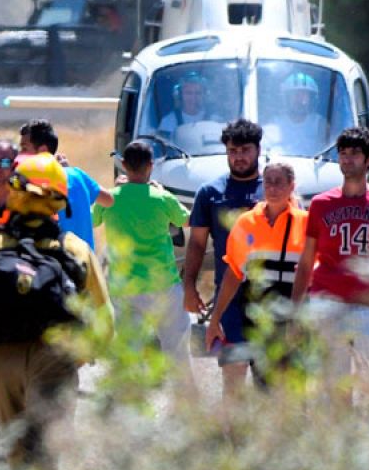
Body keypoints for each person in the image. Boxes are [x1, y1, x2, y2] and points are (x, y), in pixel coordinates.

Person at [0, 153, 112, 467]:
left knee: (16, 449)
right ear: (59, 199)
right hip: (55, 358)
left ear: (14, 191)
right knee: (48, 452)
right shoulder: (75, 249)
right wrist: (79, 356)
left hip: (2, 361)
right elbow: (104, 319)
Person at [290, 126, 369, 391]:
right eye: (343, 153)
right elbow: (306, 261)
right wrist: (295, 312)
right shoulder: (321, 204)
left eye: (354, 153)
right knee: (333, 384)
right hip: (327, 300)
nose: (347, 159)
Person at [205, 161, 307, 397]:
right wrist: (215, 318)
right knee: (265, 389)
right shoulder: (246, 222)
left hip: (294, 316)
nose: (272, 188)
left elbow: (315, 273)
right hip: (258, 317)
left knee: (295, 392)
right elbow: (234, 274)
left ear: (291, 186)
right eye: (268, 182)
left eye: (279, 182)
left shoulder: (305, 222)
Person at [92, 140, 191, 377]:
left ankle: (128, 398)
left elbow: (93, 220)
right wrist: (162, 191)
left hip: (124, 287)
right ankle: (186, 397)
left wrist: (116, 189)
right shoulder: (161, 198)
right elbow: (187, 220)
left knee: (129, 354)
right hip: (163, 284)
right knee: (177, 351)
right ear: (151, 166)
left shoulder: (111, 198)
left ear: (124, 165)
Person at [183, 120, 265, 368]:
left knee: (271, 379)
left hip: (270, 296)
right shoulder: (210, 193)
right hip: (228, 298)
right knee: (232, 374)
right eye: (232, 151)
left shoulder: (274, 190)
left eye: (245, 150)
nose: (239, 157)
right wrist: (189, 286)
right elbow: (197, 244)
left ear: (258, 150)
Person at [19, 119, 105, 249]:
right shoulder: (76, 175)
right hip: (85, 258)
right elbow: (107, 200)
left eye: (24, 148)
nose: (20, 153)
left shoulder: (31, 186)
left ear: (42, 151)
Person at [265, 72, 328, 156]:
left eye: (304, 95)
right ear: (286, 98)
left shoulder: (320, 124)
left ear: (312, 99)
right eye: (296, 94)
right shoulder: (275, 123)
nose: (300, 99)